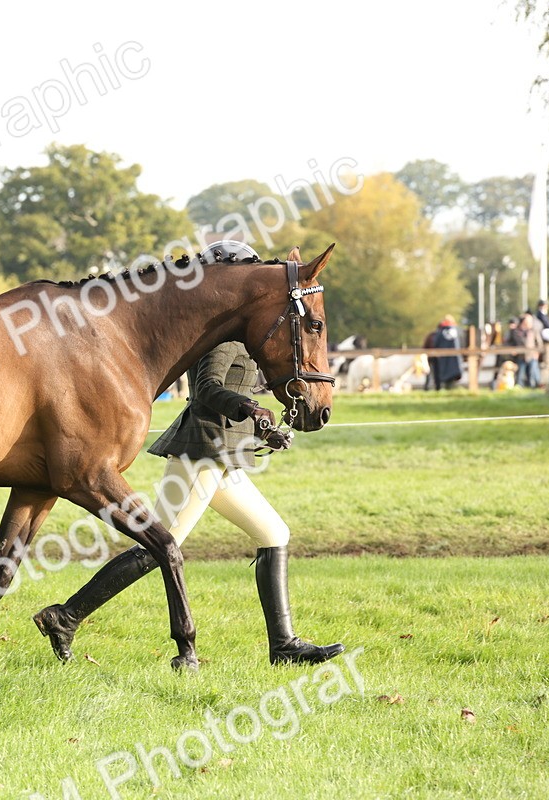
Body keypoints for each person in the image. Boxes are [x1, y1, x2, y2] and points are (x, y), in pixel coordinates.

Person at [33, 243, 345, 668]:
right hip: (201, 452)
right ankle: (65, 617)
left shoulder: (253, 331)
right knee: (161, 545)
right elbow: (209, 391)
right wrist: (251, 410)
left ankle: (284, 646)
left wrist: (266, 426)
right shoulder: (216, 333)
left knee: (274, 534)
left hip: (225, 458)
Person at [430, 315, 463, 390]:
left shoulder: (440, 331)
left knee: (443, 374)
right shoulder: (457, 331)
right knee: (453, 375)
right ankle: (453, 388)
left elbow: (435, 343)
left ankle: (444, 388)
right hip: (455, 359)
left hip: (443, 359)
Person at [512, 314, 543, 388]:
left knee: (533, 372)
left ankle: (535, 386)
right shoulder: (516, 331)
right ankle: (520, 386)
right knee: (520, 373)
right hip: (521, 355)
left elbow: (539, 343)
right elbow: (512, 342)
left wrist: (537, 352)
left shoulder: (533, 330)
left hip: (531, 354)